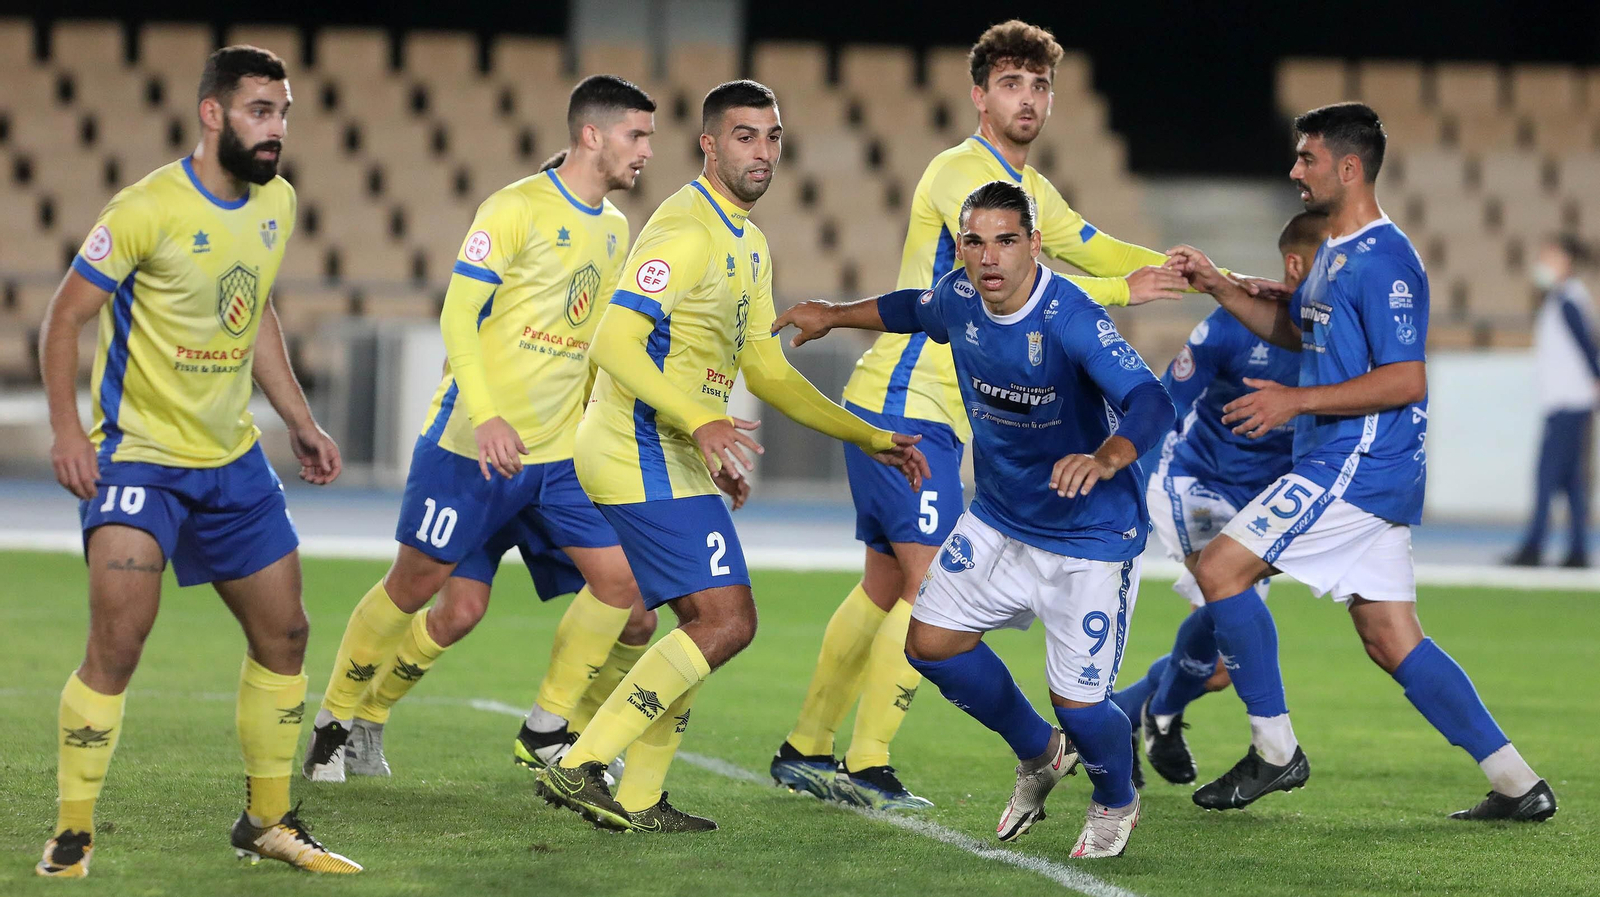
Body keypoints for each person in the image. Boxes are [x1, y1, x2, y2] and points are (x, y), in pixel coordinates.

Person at [771, 19, 1202, 811]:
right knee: (928, 586)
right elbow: (1026, 281)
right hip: (909, 401)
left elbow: (1085, 243)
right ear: (979, 95)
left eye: (1039, 85)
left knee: (879, 586)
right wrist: (1120, 290)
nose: (1028, 98)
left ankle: (804, 745)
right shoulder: (960, 175)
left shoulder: (1028, 191)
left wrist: (1176, 270)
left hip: (922, 405)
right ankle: (867, 763)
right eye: (1011, 83)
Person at [534, 80, 929, 834]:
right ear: (710, 144)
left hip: (669, 446)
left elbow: (769, 371)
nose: (763, 152)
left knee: (699, 622)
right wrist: (702, 421)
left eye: (773, 137)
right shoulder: (685, 230)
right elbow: (614, 342)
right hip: (635, 443)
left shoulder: (747, 241)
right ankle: (582, 762)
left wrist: (869, 435)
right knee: (728, 619)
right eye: (745, 136)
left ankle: (641, 796)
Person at [1166, 102, 1556, 821]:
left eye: (1306, 158)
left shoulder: (1384, 261)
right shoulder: (1335, 253)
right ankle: (1517, 782)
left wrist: (1293, 403)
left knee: (1220, 567)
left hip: (1355, 463)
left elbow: (1406, 378)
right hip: (1351, 463)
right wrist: (1221, 286)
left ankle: (1275, 749)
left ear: (1348, 168)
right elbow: (1296, 332)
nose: (1294, 171)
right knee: (1389, 635)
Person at [35, 46, 359, 876]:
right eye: (260, 110)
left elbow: (254, 315)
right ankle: (73, 831)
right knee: (120, 642)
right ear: (213, 113)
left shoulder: (277, 202)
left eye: (284, 111)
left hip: (234, 461)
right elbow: (64, 319)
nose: (277, 128)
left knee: (286, 633)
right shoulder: (147, 207)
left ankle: (269, 819)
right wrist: (70, 434)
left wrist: (301, 420)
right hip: (139, 460)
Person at [302, 76, 660, 784]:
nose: (648, 150)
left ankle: (549, 728)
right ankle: (338, 723)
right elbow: (458, 316)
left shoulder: (616, 229)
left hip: (557, 458)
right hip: (472, 446)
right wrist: (490, 413)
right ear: (591, 134)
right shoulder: (514, 208)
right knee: (439, 600)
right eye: (637, 136)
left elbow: (593, 344)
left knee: (627, 590)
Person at [1110, 211, 1326, 788]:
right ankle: (1157, 716)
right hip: (1195, 483)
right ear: (1299, 265)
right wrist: (1125, 468)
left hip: (1264, 502)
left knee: (1217, 673)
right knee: (1221, 603)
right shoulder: (1233, 326)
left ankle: (1129, 715)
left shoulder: (1339, 338)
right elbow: (1168, 401)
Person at [1507, 234, 1597, 568]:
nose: (1542, 263)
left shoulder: (1567, 299)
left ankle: (1534, 546)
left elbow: (1588, 346)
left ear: (1565, 260)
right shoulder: (1564, 298)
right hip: (1570, 403)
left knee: (1547, 476)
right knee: (1573, 482)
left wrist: (1596, 378)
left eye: (1549, 256)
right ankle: (1577, 550)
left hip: (1567, 404)